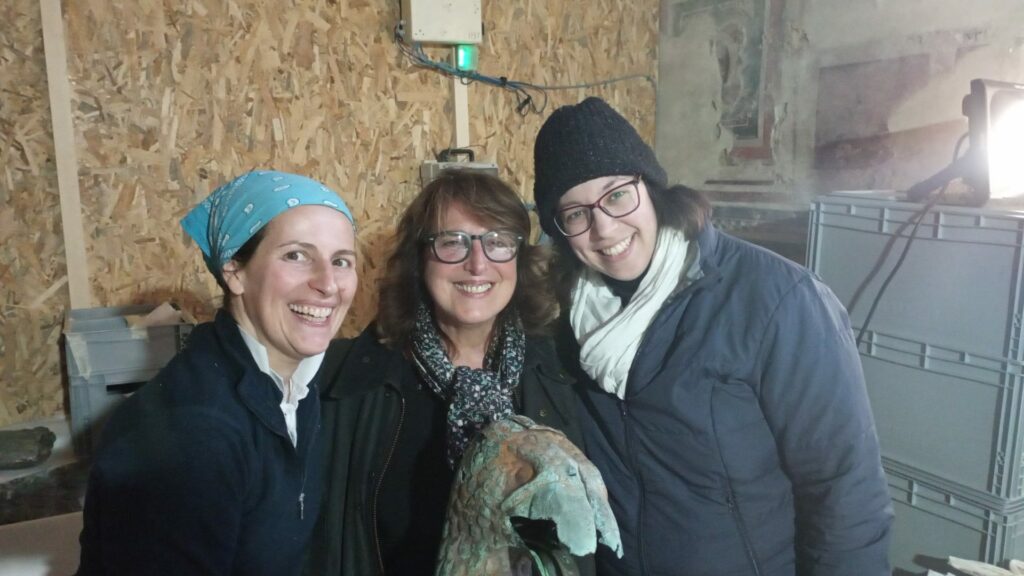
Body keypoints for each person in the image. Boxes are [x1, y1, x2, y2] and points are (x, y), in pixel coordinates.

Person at [531, 97, 894, 576]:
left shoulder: (777, 301)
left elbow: (845, 489)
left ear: (651, 188)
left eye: (616, 195)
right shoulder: (569, 320)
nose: (604, 227)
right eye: (576, 213)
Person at [306, 170, 594, 575]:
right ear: (419, 258)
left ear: (519, 258)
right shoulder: (345, 380)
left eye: (498, 242)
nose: (477, 264)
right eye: (452, 242)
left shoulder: (561, 366)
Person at [76, 170, 358, 576]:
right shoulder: (191, 433)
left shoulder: (295, 388)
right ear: (234, 271)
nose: (328, 284)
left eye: (341, 261)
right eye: (296, 255)